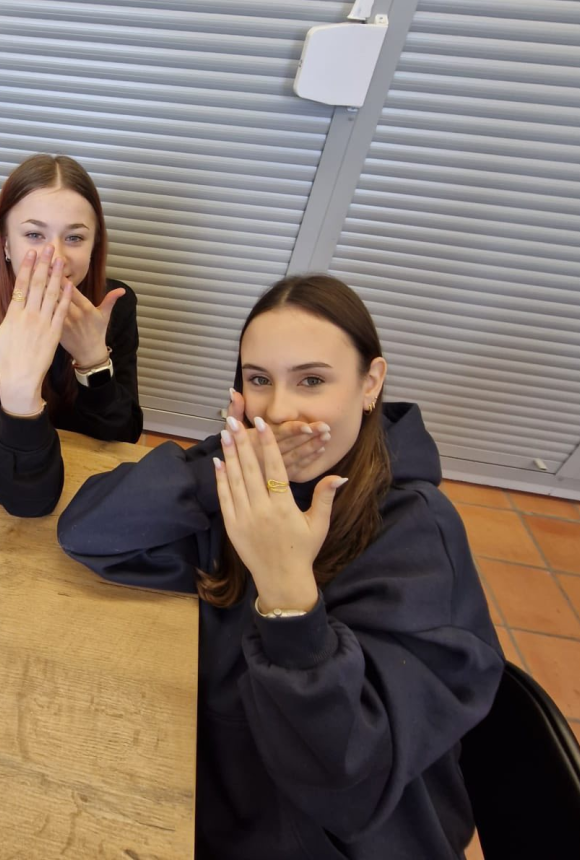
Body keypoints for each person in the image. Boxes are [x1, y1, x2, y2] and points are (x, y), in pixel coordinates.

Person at [58, 274, 503, 859]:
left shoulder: (417, 536)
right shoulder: (246, 475)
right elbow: (88, 532)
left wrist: (289, 596)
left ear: (370, 384)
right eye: (259, 380)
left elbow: (350, 786)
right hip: (206, 785)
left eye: (312, 380)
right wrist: (217, 473)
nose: (280, 411)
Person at [0, 154, 143, 517]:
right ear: (6, 244)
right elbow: (28, 500)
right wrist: (21, 390)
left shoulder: (113, 307)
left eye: (75, 237)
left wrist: (93, 361)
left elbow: (122, 436)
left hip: (94, 491)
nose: (55, 258)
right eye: (34, 235)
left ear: (94, 245)